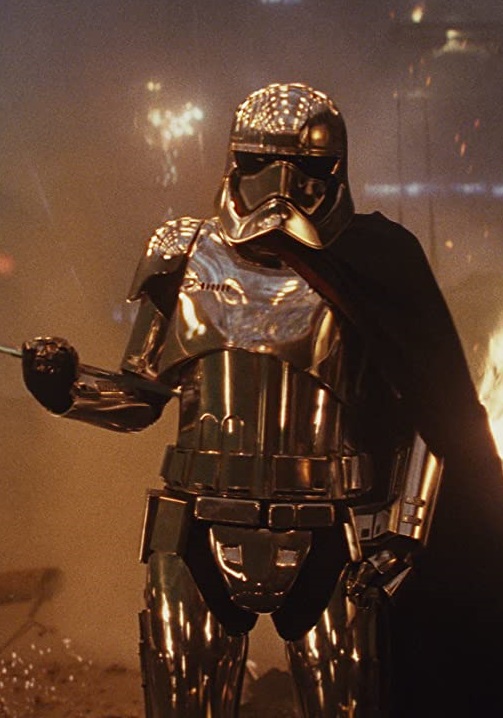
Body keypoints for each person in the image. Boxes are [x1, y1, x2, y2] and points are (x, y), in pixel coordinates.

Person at [21, 83, 503, 717]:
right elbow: (139, 396)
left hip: (330, 529)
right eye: (259, 161)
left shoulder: (372, 258)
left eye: (304, 166)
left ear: (334, 169)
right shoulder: (181, 251)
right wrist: (64, 390)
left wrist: (406, 530)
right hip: (197, 524)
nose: (280, 183)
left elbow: (431, 408)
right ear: (234, 161)